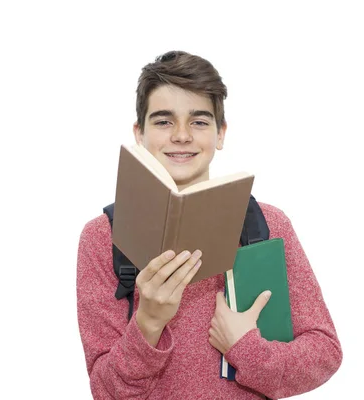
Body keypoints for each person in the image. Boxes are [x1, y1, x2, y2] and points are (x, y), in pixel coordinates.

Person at [77, 50, 342, 399]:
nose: (182, 135)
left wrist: (246, 348)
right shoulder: (103, 237)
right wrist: (149, 322)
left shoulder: (267, 225)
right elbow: (106, 392)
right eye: (163, 121)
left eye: (199, 121)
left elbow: (325, 353)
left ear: (220, 133)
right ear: (139, 134)